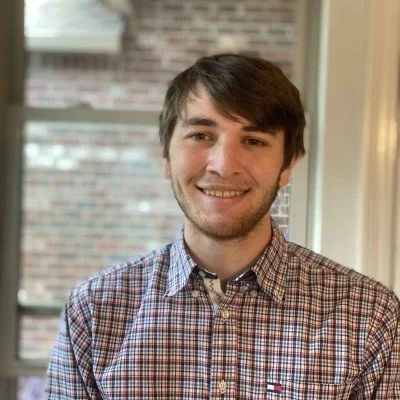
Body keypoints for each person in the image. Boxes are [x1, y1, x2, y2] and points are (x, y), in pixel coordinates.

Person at [45, 54, 399, 399]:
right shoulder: (94, 311)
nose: (224, 165)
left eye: (254, 141)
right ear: (166, 155)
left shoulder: (370, 317)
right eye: (201, 135)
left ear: (287, 165)